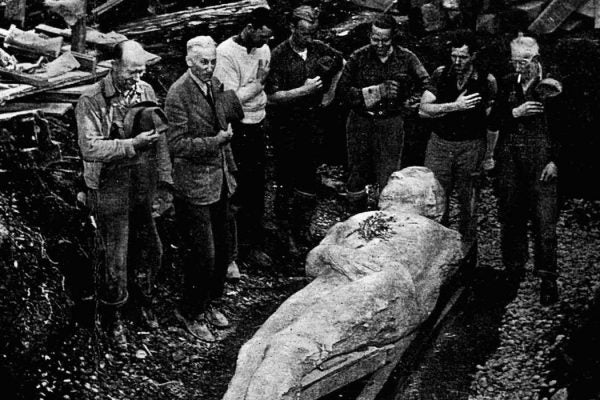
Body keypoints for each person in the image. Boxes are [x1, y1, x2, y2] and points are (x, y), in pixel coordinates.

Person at [76, 40, 172, 347]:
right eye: (131, 70)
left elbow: (160, 140)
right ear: (113, 65)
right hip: (107, 186)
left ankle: (141, 302)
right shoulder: (91, 99)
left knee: (150, 249)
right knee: (114, 258)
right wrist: (131, 145)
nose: (137, 77)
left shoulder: (146, 92)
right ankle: (113, 317)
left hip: (141, 183)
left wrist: (165, 181)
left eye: (141, 70)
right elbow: (89, 148)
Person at [165, 36, 244, 341]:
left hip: (220, 181)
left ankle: (208, 303)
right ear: (188, 61)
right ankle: (189, 312)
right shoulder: (178, 94)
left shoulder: (213, 84)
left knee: (223, 251)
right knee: (203, 256)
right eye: (203, 62)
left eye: (213, 62)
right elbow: (177, 145)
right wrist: (217, 142)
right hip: (194, 187)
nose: (209, 67)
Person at [488, 33, 562, 305]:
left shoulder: (552, 87)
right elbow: (494, 121)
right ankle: (514, 269)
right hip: (510, 160)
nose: (518, 66)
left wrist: (556, 161)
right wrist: (514, 114)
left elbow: (570, 129)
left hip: (542, 163)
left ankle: (547, 277)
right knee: (511, 216)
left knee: (545, 223)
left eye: (524, 61)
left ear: (537, 59)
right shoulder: (509, 83)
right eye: (514, 61)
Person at [266, 4, 344, 250]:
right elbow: (271, 97)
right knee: (286, 180)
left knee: (309, 180)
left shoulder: (320, 49)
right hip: (286, 127)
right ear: (292, 28)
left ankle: (303, 229)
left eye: (312, 34)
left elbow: (342, 63)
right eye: (304, 34)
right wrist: (304, 90)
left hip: (313, 125)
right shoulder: (277, 55)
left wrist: (330, 93)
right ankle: (284, 233)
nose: (308, 39)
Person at [337, 13, 431, 212]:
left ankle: (385, 216)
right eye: (375, 39)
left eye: (385, 40)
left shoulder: (407, 58)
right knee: (356, 171)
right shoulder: (358, 57)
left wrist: (410, 103)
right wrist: (377, 91)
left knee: (388, 173)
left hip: (390, 122)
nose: (379, 44)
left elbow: (427, 84)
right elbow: (342, 91)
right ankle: (356, 214)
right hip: (360, 122)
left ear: (393, 37)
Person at [419, 34, 497, 260]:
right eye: (454, 55)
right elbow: (424, 109)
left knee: (468, 202)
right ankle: (436, 251)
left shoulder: (486, 80)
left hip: (471, 147)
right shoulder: (441, 74)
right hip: (440, 145)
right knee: (435, 198)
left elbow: (492, 120)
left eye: (463, 56)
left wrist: (489, 154)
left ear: (473, 56)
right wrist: (455, 106)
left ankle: (467, 254)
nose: (458, 61)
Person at [213, 7, 274, 268]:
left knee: (256, 186)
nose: (264, 43)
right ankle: (231, 252)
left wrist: (254, 89)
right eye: (261, 36)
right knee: (236, 188)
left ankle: (253, 244)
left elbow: (248, 91)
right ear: (249, 27)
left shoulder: (264, 49)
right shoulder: (225, 53)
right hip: (237, 127)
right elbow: (230, 100)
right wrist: (258, 85)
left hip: (258, 121)